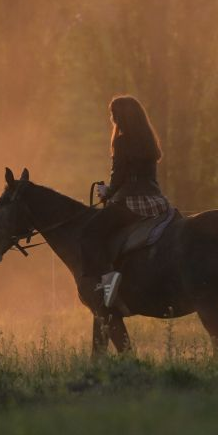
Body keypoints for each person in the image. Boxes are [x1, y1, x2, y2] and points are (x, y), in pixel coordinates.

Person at [82, 95, 170, 308]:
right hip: (155, 200)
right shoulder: (149, 141)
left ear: (120, 116)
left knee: (90, 231)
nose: (112, 118)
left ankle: (107, 282)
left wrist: (106, 192)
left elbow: (118, 176)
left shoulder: (122, 142)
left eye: (113, 114)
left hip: (131, 202)